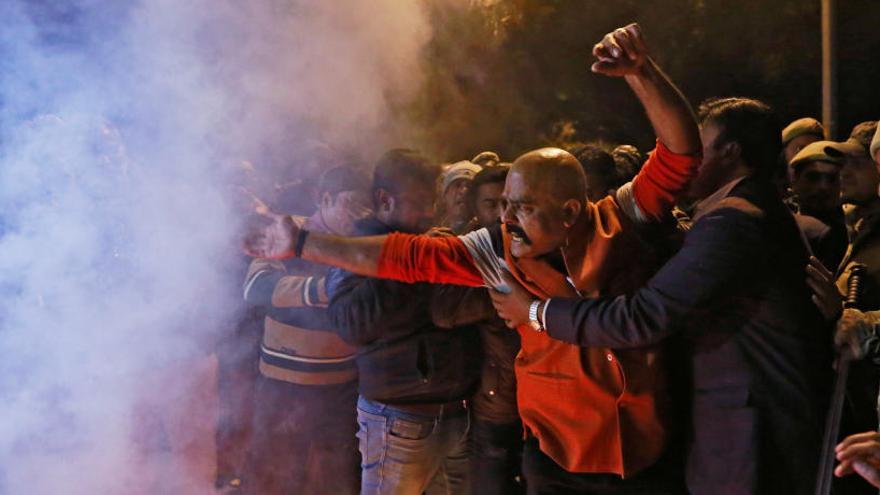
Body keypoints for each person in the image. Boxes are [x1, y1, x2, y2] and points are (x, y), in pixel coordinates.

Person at [245, 23, 702, 494]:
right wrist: (302, 244)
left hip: (641, 446)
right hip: (555, 453)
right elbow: (409, 255)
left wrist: (642, 73)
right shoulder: (497, 247)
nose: (508, 219)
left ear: (570, 211)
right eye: (504, 204)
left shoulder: (622, 219)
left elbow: (680, 155)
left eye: (523, 207)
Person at [491, 97, 832, 494]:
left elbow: (642, 316)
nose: (690, 157)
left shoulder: (734, 220)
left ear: (729, 152)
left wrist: (534, 311)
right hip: (749, 419)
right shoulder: (741, 211)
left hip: (747, 431)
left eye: (699, 145)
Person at [325, 149, 482, 495]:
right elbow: (350, 323)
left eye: (433, 203)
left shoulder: (432, 241)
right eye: (420, 202)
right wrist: (411, 264)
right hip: (398, 417)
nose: (429, 213)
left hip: (456, 413)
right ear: (384, 200)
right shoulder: (356, 249)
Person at [241, 166, 372, 495]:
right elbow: (256, 287)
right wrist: (327, 289)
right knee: (276, 477)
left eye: (365, 207)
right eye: (352, 205)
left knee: (337, 480)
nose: (360, 216)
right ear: (325, 199)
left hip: (341, 390)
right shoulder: (289, 231)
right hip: (283, 387)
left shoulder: (362, 243)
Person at [789, 140, 849, 271]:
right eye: (813, 177)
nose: (823, 187)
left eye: (832, 179)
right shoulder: (781, 221)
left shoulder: (849, 235)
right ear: (795, 180)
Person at [437, 160, 483, 234]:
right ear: (445, 194)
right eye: (457, 185)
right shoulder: (429, 229)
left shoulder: (485, 234)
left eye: (470, 186)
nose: (464, 191)